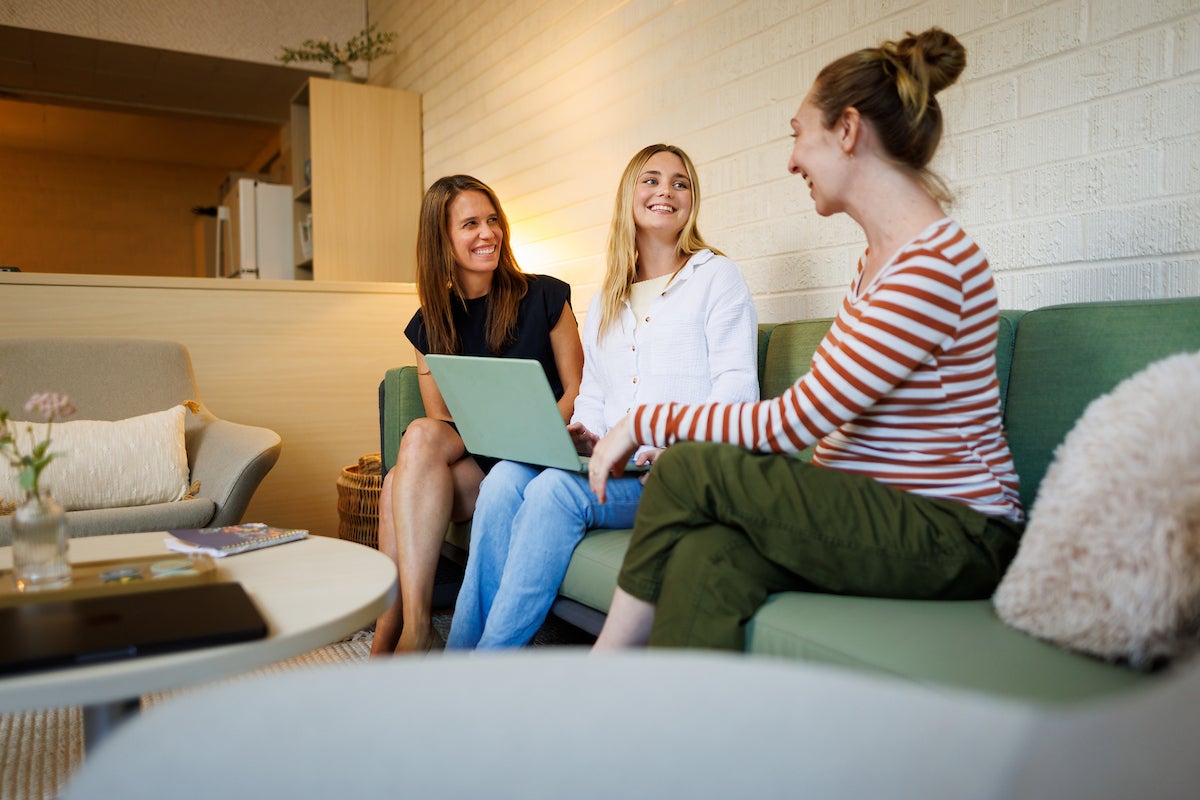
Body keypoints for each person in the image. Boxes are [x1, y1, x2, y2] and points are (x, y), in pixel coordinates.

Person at [587, 28, 1026, 651]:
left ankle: (600, 674)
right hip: (874, 508)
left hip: (957, 532)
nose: (793, 161)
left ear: (847, 131)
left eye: (799, 134)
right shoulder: (878, 259)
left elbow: (797, 421)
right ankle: (670, 706)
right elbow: (838, 427)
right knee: (707, 554)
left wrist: (640, 423)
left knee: (687, 465)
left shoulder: (932, 266)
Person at [445, 144, 759, 649]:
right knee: (502, 479)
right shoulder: (608, 296)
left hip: (670, 471)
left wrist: (681, 447)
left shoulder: (716, 277)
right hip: (607, 462)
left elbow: (737, 389)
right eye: (651, 180)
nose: (666, 191)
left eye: (680, 183)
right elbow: (592, 393)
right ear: (629, 195)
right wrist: (582, 434)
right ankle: (456, 654)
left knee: (554, 491)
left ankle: (489, 665)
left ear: (691, 200)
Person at [370, 174, 583, 655]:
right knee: (416, 445)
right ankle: (405, 625)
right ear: (442, 239)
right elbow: (441, 422)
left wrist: (534, 434)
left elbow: (576, 389)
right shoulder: (430, 321)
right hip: (478, 463)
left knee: (398, 476)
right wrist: (493, 432)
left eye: (492, 220)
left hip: (537, 460)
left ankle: (400, 633)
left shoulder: (546, 296)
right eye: (470, 224)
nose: (488, 233)